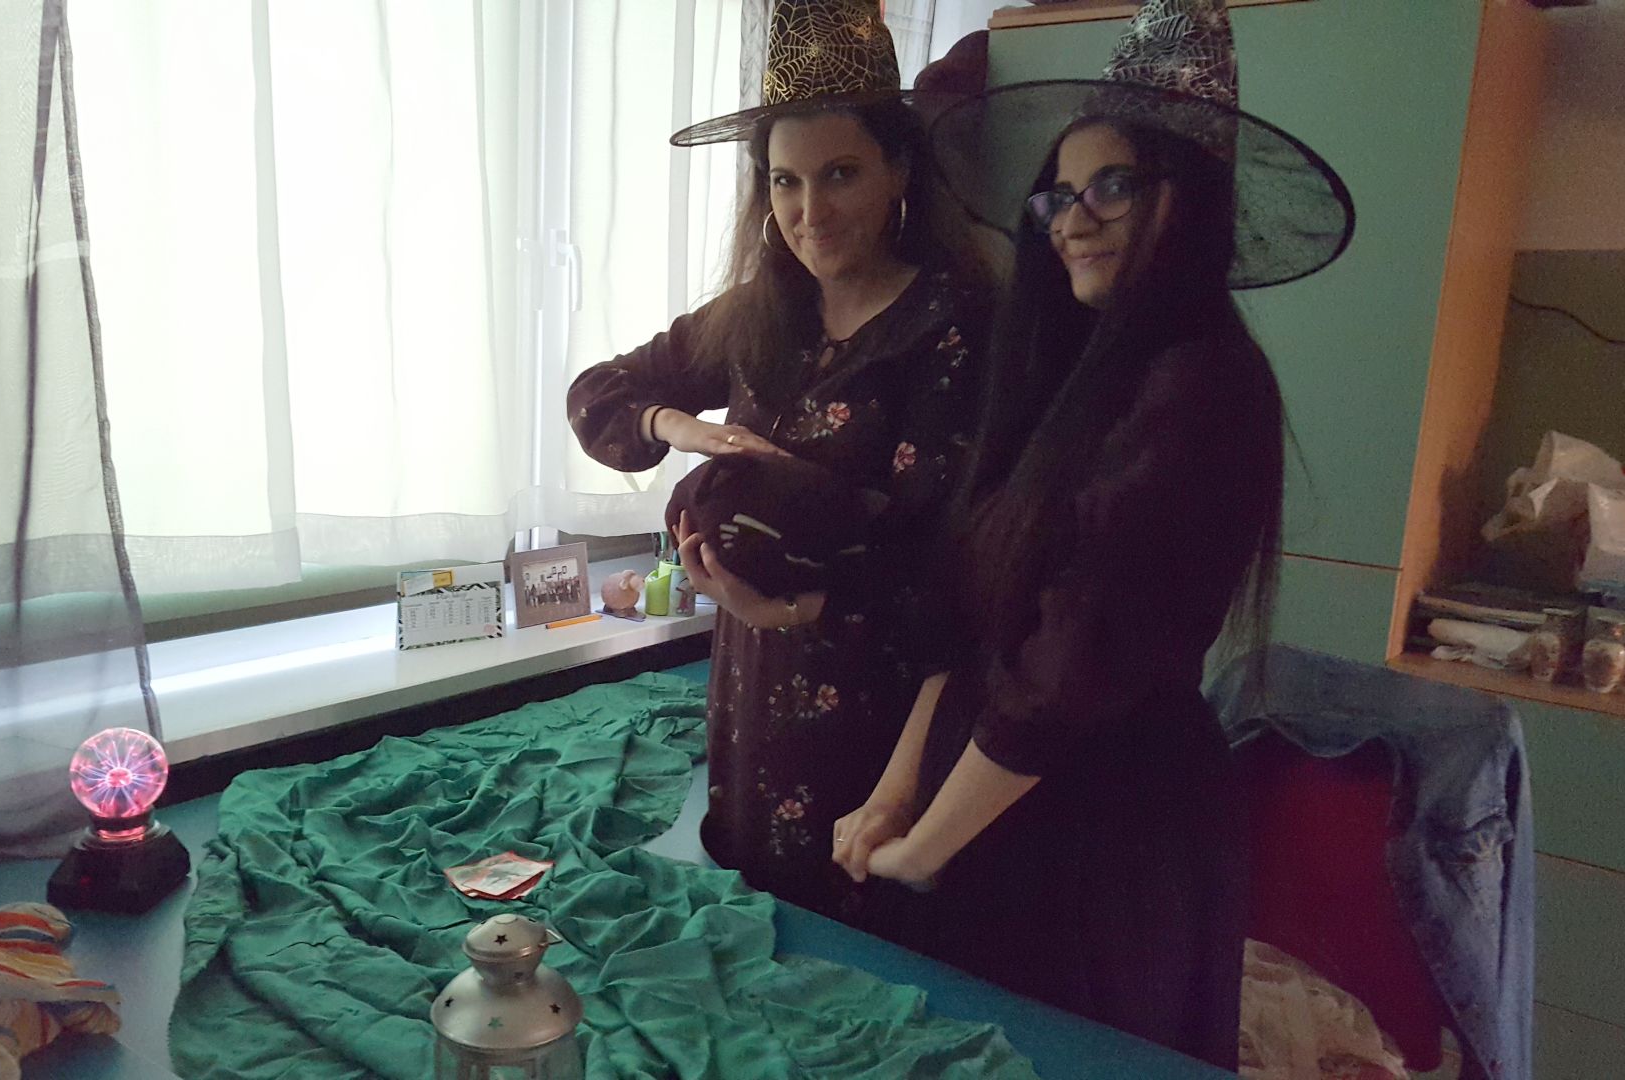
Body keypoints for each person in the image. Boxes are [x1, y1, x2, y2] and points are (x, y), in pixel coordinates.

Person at [830, 0, 1355, 1067]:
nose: (1073, 218)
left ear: (1188, 197)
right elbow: (972, 620)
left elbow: (1069, 662)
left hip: (1107, 839)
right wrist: (894, 794)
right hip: (995, 809)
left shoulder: (1204, 384)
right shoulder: (1065, 374)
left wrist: (923, 851)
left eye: (1112, 185)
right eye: (1060, 195)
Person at [567, 0, 994, 922]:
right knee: (751, 915)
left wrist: (800, 601)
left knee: (860, 939)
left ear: (899, 172)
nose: (809, 212)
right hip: (747, 692)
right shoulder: (765, 312)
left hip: (881, 713)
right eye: (785, 181)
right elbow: (598, 394)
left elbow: (953, 572)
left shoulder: (950, 329)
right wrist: (685, 428)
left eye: (840, 174)